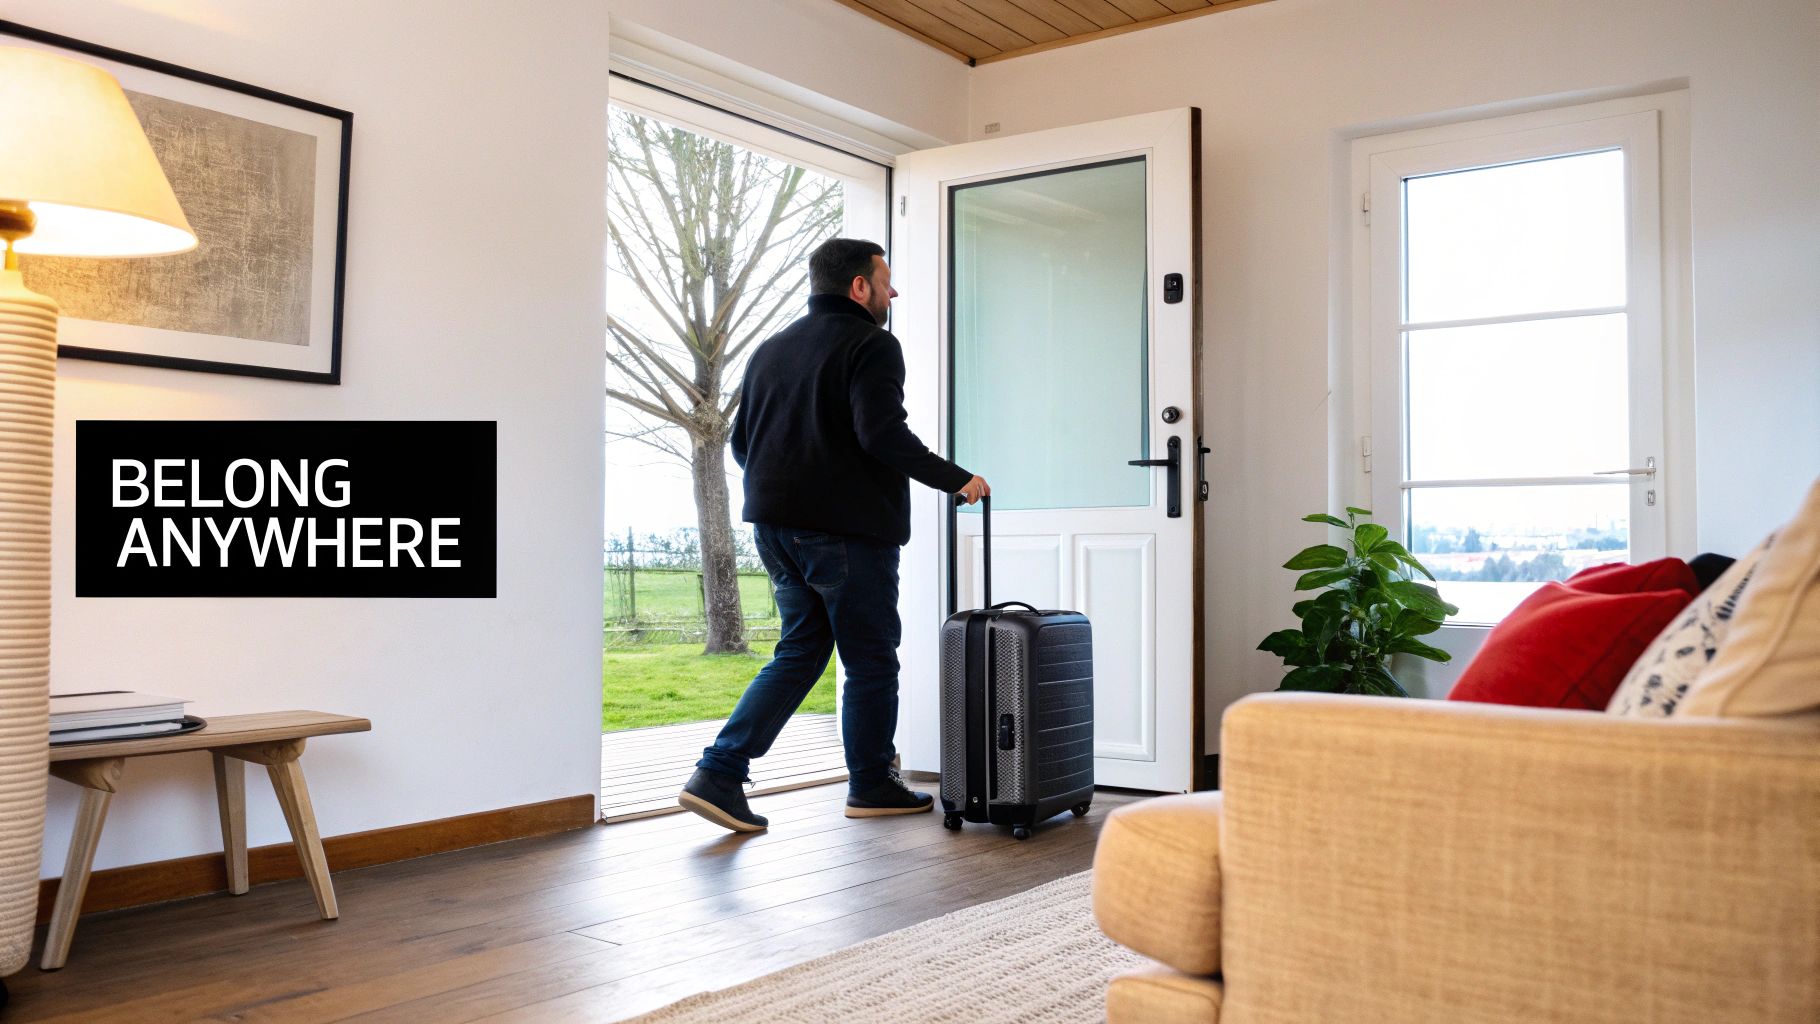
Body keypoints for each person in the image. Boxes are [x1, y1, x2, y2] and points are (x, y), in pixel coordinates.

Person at [677, 238, 989, 833]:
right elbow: (883, 435)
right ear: (858, 287)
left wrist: (791, 490)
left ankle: (719, 772)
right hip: (846, 534)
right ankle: (871, 783)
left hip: (774, 528)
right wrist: (958, 479)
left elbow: (744, 445)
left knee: (800, 652)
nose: (893, 293)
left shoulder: (771, 349)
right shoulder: (872, 345)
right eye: (885, 281)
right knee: (871, 659)